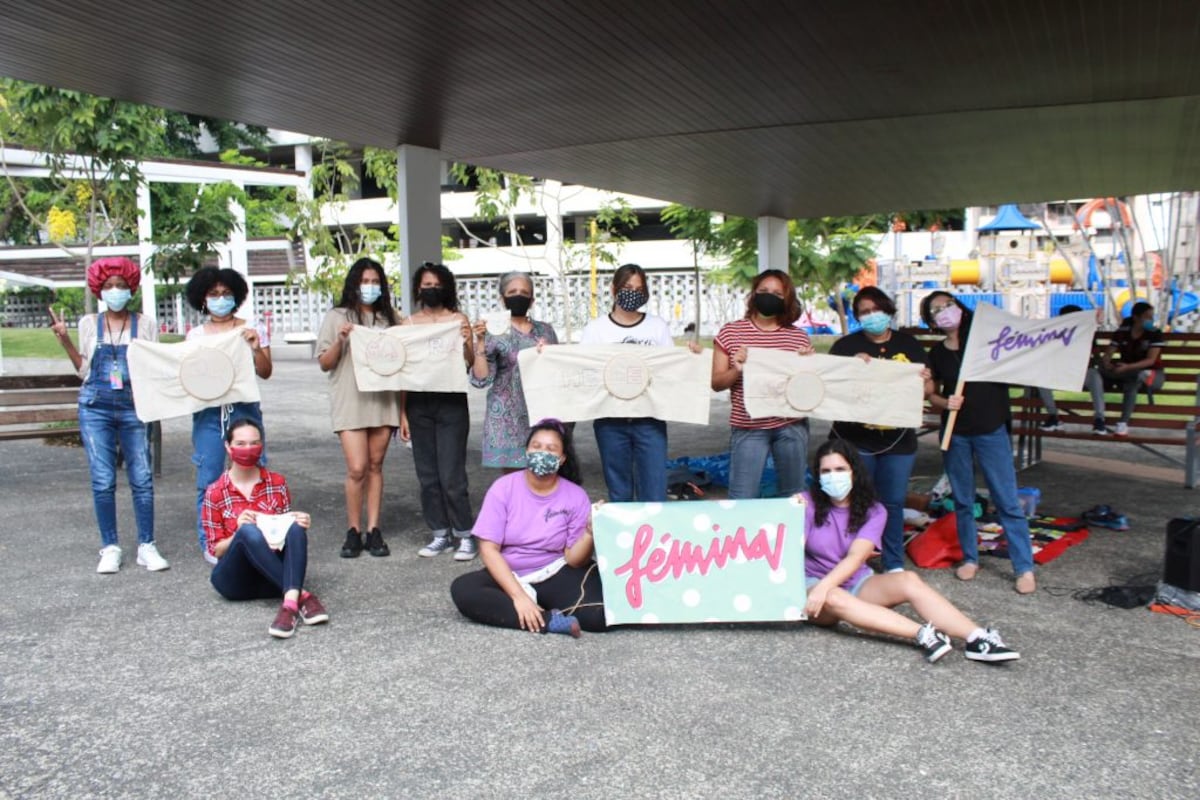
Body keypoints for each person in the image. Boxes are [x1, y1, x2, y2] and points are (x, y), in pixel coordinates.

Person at [801, 439, 1020, 663]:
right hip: (813, 585)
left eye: (840, 469)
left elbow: (857, 557)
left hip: (854, 582)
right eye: (825, 471)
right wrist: (789, 509)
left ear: (853, 472)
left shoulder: (874, 510)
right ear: (817, 476)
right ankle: (923, 634)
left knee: (908, 579)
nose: (832, 476)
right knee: (834, 597)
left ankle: (978, 639)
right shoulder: (807, 503)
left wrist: (826, 586)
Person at [50, 257, 168, 574]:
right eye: (108, 286)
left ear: (131, 288)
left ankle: (147, 545)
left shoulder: (145, 324)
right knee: (103, 480)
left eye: (120, 285)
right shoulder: (90, 323)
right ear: (99, 290)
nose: (115, 290)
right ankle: (111, 546)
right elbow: (83, 370)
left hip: (134, 405)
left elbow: (153, 365)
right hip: (95, 406)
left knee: (141, 478)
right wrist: (64, 341)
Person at [921, 291, 1037, 594]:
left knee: (1006, 500)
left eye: (948, 305)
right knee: (962, 499)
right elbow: (930, 393)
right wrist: (944, 402)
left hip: (990, 429)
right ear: (930, 320)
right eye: (936, 310)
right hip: (955, 433)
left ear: (959, 307)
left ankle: (1023, 567)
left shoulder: (987, 343)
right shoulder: (936, 354)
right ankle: (970, 558)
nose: (944, 312)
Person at [450, 419, 606, 636]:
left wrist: (589, 532)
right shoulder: (503, 488)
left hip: (555, 570)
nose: (542, 453)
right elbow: (488, 549)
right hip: (510, 573)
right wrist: (518, 596)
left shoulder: (575, 495)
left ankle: (535, 608)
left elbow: (574, 559)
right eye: (536, 446)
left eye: (551, 449)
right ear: (526, 451)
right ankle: (547, 620)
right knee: (464, 590)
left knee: (599, 616)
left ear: (561, 459)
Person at [828, 286, 930, 573]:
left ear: (888, 311)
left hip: (898, 440)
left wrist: (923, 381)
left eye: (877, 310)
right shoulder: (845, 347)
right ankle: (850, 560)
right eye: (865, 312)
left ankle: (893, 561)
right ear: (858, 317)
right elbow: (830, 387)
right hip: (854, 438)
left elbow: (928, 389)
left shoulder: (909, 346)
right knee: (855, 501)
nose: (872, 316)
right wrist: (849, 368)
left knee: (893, 503)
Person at [203, 417, 328, 639]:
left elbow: (285, 537)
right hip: (235, 580)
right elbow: (216, 550)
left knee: (296, 528)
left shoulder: (276, 483)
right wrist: (238, 533)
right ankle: (302, 597)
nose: (248, 449)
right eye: (240, 444)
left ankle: (289, 605)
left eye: (254, 443)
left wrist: (297, 523)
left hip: (271, 578)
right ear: (228, 447)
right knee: (248, 531)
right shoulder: (215, 492)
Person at [184, 267, 273, 563]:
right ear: (202, 299)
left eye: (226, 293)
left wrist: (255, 347)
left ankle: (259, 537)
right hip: (208, 413)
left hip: (244, 411)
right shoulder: (196, 335)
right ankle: (212, 542)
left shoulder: (252, 327)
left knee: (254, 473)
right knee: (209, 478)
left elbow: (266, 371)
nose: (220, 299)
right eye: (213, 294)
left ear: (236, 296)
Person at [316, 257, 401, 559]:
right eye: (364, 281)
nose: (370, 287)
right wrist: (341, 340)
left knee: (376, 466)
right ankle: (353, 529)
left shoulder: (390, 319)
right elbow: (325, 362)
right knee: (357, 468)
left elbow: (406, 357)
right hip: (350, 400)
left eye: (375, 281)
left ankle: (374, 529)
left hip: (382, 401)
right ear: (354, 283)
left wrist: (403, 413)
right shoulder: (337, 316)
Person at [712, 269, 814, 499]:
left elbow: (808, 390)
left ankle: (791, 536)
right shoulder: (732, 332)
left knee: (794, 497)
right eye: (764, 291)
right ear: (753, 295)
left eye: (778, 293)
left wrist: (808, 368)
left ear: (787, 298)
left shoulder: (797, 337)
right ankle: (743, 536)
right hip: (748, 426)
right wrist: (736, 370)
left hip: (791, 425)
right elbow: (716, 383)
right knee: (742, 496)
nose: (770, 296)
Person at [401, 262, 477, 560]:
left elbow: (468, 362)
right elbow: (401, 369)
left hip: (451, 401)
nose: (431, 290)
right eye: (426, 285)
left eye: (436, 285)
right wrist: (401, 413)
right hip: (419, 402)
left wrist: (469, 339)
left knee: (452, 474)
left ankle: (464, 534)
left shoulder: (458, 319)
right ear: (418, 289)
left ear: (446, 288)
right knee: (428, 475)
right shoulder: (408, 324)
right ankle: (439, 534)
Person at [580, 264, 675, 502]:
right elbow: (583, 371)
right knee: (619, 491)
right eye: (627, 287)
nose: (633, 292)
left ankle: (652, 537)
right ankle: (626, 539)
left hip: (650, 419)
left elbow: (671, 368)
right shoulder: (596, 330)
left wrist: (692, 357)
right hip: (610, 421)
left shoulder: (657, 326)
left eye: (639, 288)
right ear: (614, 289)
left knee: (654, 489)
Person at [469, 271, 559, 470]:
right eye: (513, 291)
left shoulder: (546, 330)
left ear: (532, 299)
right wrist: (481, 342)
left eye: (524, 292)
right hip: (505, 418)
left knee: (543, 473)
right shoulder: (493, 331)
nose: (519, 295)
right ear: (502, 298)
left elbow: (558, 370)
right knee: (513, 481)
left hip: (540, 413)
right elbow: (481, 379)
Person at [1085, 301, 1165, 436]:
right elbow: (1108, 353)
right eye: (1148, 316)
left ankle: (1123, 422)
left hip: (1151, 374)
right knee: (1095, 372)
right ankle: (1100, 418)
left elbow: (1150, 360)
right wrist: (1107, 363)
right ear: (1136, 317)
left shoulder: (1155, 333)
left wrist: (1128, 367)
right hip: (1125, 372)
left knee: (1135, 378)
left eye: (1152, 316)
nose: (1151, 320)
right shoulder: (1123, 332)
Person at [1036, 304, 1083, 431]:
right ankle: (1053, 416)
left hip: (1081, 372)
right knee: (1041, 377)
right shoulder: (1056, 332)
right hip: (1059, 370)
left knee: (1094, 376)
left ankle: (1099, 419)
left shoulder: (1085, 332)